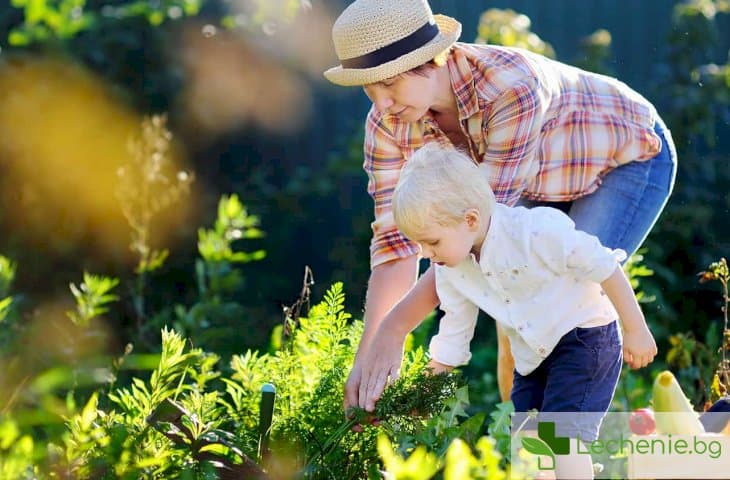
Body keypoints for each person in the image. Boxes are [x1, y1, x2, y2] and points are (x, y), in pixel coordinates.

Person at [323, 0, 676, 414]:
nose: (380, 104)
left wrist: (398, 326)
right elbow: (394, 244)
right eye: (370, 90)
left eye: (390, 86)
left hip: (624, 157)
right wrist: (371, 354)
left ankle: (569, 446)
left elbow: (483, 229)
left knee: (566, 300)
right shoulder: (387, 123)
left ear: (428, 62)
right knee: (513, 313)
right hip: (538, 181)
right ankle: (529, 454)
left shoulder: (510, 87)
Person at [367, 145, 657, 479]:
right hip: (533, 358)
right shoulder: (451, 270)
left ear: (470, 220)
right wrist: (417, 399)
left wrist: (635, 329)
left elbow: (603, 265)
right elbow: (452, 341)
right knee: (530, 448)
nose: (427, 254)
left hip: (585, 339)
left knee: (562, 439)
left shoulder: (535, 231)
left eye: (432, 242)